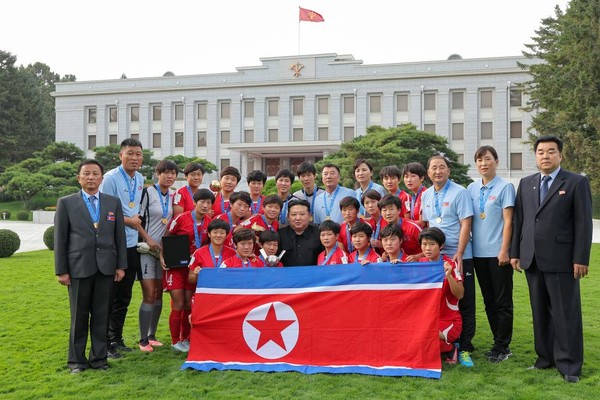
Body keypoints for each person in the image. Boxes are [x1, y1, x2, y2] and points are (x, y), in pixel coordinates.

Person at [510, 135, 592, 383]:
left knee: (565, 314)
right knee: (540, 313)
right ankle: (544, 359)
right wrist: (515, 252)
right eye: (541, 152)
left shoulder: (576, 182)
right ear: (535, 156)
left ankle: (569, 366)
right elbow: (520, 221)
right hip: (532, 259)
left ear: (560, 155)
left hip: (562, 260)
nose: (545, 156)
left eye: (551, 151)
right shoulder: (526, 183)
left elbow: (583, 223)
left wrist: (581, 258)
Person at [54, 159, 127, 373]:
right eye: (86, 173)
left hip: (106, 268)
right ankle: (76, 362)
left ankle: (99, 360)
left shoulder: (112, 203)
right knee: (78, 317)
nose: (91, 177)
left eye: (95, 174)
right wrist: (62, 270)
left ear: (101, 178)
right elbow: (60, 239)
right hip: (78, 268)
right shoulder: (66, 203)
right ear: (79, 178)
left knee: (101, 315)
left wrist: (121, 265)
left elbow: (119, 236)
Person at [421, 155, 475, 367]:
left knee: (465, 302)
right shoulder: (426, 194)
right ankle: (445, 342)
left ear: (448, 171)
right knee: (439, 301)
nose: (438, 171)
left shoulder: (459, 192)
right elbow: (427, 224)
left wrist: (460, 253)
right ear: (428, 172)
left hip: (458, 255)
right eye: (433, 168)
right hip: (435, 256)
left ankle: (465, 348)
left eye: (442, 167)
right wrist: (423, 251)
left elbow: (466, 224)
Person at [467, 146, 515, 363]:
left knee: (502, 301)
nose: (483, 163)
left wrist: (504, 250)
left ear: (496, 161)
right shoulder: (471, 188)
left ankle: (503, 346)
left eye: (487, 159)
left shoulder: (506, 187)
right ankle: (497, 342)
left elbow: (508, 221)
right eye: (479, 160)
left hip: (498, 254)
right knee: (489, 301)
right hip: (478, 254)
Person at [99, 138, 144, 358]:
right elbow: (104, 213)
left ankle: (117, 338)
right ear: (120, 155)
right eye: (130, 154)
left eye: (138, 154)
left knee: (124, 296)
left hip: (132, 245)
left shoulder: (140, 178)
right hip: (114, 246)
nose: (134, 158)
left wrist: (134, 223)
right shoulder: (110, 179)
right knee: (110, 295)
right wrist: (129, 221)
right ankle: (105, 343)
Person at [162, 188, 214, 353]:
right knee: (177, 303)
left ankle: (185, 338)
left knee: (188, 304)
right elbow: (167, 237)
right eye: (202, 202)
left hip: (192, 268)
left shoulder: (209, 222)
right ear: (194, 202)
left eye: (208, 203)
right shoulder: (181, 218)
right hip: (176, 266)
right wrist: (163, 257)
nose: (205, 205)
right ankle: (175, 340)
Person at [136, 160, 177, 352]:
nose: (169, 176)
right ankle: (142, 339)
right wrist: (149, 239)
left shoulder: (174, 196)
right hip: (146, 249)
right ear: (157, 174)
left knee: (159, 292)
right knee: (149, 293)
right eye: (165, 173)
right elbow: (138, 221)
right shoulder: (147, 192)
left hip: (163, 251)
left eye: (172, 173)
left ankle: (152, 335)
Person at [418, 227, 464, 365]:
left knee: (426, 340)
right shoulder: (420, 264)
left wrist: (449, 276)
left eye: (432, 244)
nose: (427, 248)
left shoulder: (449, 264)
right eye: (424, 244)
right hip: (427, 318)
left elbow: (460, 294)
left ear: (441, 245)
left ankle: (451, 348)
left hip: (448, 320)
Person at [188, 219, 236, 284]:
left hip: (226, 290)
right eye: (215, 232)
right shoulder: (198, 253)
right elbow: (190, 280)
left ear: (226, 235)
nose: (218, 235)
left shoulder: (233, 253)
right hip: (207, 291)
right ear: (209, 234)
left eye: (222, 233)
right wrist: (196, 275)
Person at [279, 199, 324, 266]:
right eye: (294, 214)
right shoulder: (280, 235)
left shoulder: (319, 233)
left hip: (313, 274)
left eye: (302, 214)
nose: (298, 218)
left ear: (309, 216)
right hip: (287, 275)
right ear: (288, 217)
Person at [378, 194, 423, 259]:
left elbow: (432, 247)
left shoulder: (413, 227)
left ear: (399, 210)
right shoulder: (382, 227)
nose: (388, 213)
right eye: (384, 210)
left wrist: (417, 257)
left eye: (391, 209)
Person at [402, 162, 428, 228]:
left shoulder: (425, 194)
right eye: (406, 176)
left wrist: (401, 222)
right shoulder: (413, 196)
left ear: (422, 178)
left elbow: (422, 223)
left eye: (413, 176)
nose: (409, 180)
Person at [362, 189, 384, 253]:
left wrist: (382, 245)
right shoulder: (367, 223)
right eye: (367, 203)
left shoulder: (388, 221)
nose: (370, 206)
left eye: (373, 202)